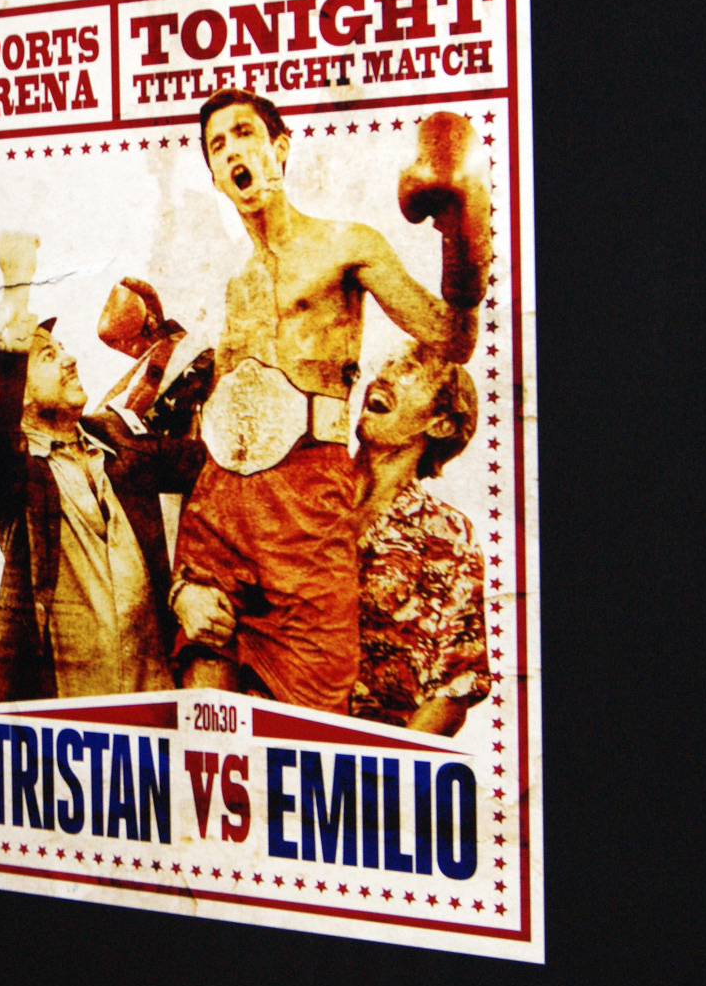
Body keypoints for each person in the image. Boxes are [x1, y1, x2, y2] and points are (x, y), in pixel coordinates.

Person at [168, 91, 490, 713]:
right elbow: (218, 440)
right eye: (217, 145)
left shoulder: (348, 245)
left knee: (313, 717)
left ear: (280, 149)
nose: (233, 151)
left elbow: (452, 339)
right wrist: (184, 581)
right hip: (221, 513)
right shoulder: (236, 285)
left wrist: (464, 234)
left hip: (306, 511)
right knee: (207, 721)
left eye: (245, 133)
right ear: (214, 176)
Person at [0, 231, 206, 704]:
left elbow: (208, 466)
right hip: (63, 710)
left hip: (153, 692)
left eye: (63, 348)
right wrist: (17, 284)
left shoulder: (118, 436)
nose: (71, 359)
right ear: (19, 393)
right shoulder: (11, 472)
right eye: (48, 355)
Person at [349, 344, 490, 735]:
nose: (384, 375)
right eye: (387, 364)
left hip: (365, 754)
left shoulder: (449, 538)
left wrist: (387, 768)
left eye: (408, 372)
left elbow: (453, 690)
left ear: (441, 424)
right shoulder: (301, 491)